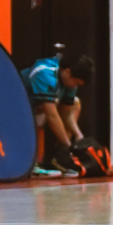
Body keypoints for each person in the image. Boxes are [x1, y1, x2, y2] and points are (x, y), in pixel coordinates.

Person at [22, 50, 94, 178]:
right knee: (46, 109)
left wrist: (79, 137)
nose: (75, 86)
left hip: (36, 105)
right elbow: (52, 115)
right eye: (75, 83)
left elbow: (66, 113)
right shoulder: (44, 73)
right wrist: (69, 148)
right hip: (17, 106)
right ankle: (36, 162)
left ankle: (59, 158)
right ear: (67, 72)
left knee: (75, 103)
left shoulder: (69, 80)